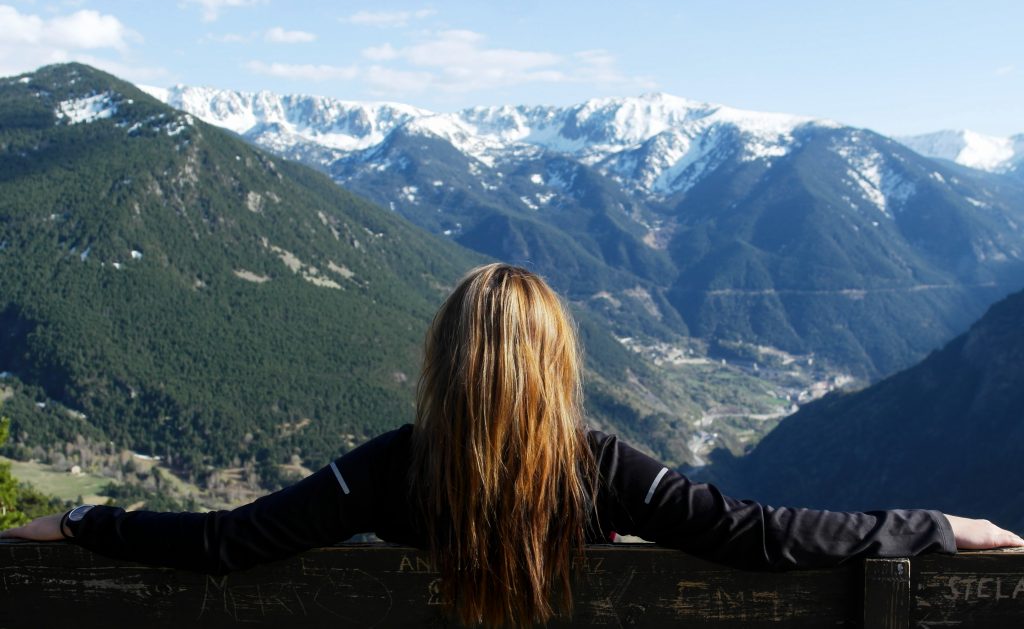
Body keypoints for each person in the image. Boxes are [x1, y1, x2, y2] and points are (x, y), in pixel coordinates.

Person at [2, 263, 1022, 627]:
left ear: (445, 359)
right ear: (553, 364)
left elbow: (228, 543)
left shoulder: (390, 464)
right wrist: (935, 522)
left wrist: (91, 517)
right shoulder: (598, 463)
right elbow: (755, 534)